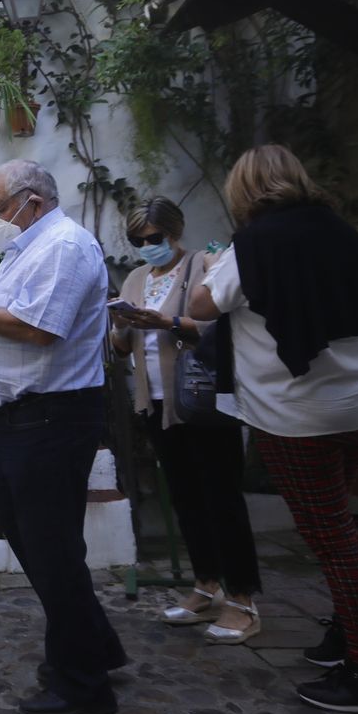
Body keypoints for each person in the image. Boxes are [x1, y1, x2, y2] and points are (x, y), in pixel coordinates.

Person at [189, 145, 358, 714]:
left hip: (299, 415)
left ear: (243, 190)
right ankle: (350, 637)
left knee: (333, 541)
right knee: (338, 526)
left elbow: (202, 305)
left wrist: (214, 266)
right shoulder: (340, 231)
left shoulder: (252, 245)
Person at [0, 160, 126, 714]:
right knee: (35, 540)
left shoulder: (63, 245)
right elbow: (13, 314)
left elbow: (38, 330)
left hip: (51, 419)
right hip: (27, 421)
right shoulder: (27, 249)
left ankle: (83, 684)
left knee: (51, 549)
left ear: (31, 201)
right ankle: (95, 647)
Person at [110, 197, 262, 643]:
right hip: (157, 402)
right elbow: (122, 347)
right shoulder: (136, 277)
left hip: (203, 401)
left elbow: (218, 327)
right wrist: (121, 324)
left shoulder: (204, 265)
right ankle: (206, 585)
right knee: (186, 498)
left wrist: (168, 322)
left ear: (174, 232)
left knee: (222, 498)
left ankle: (243, 598)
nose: (146, 246)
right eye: (137, 240)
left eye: (153, 238)